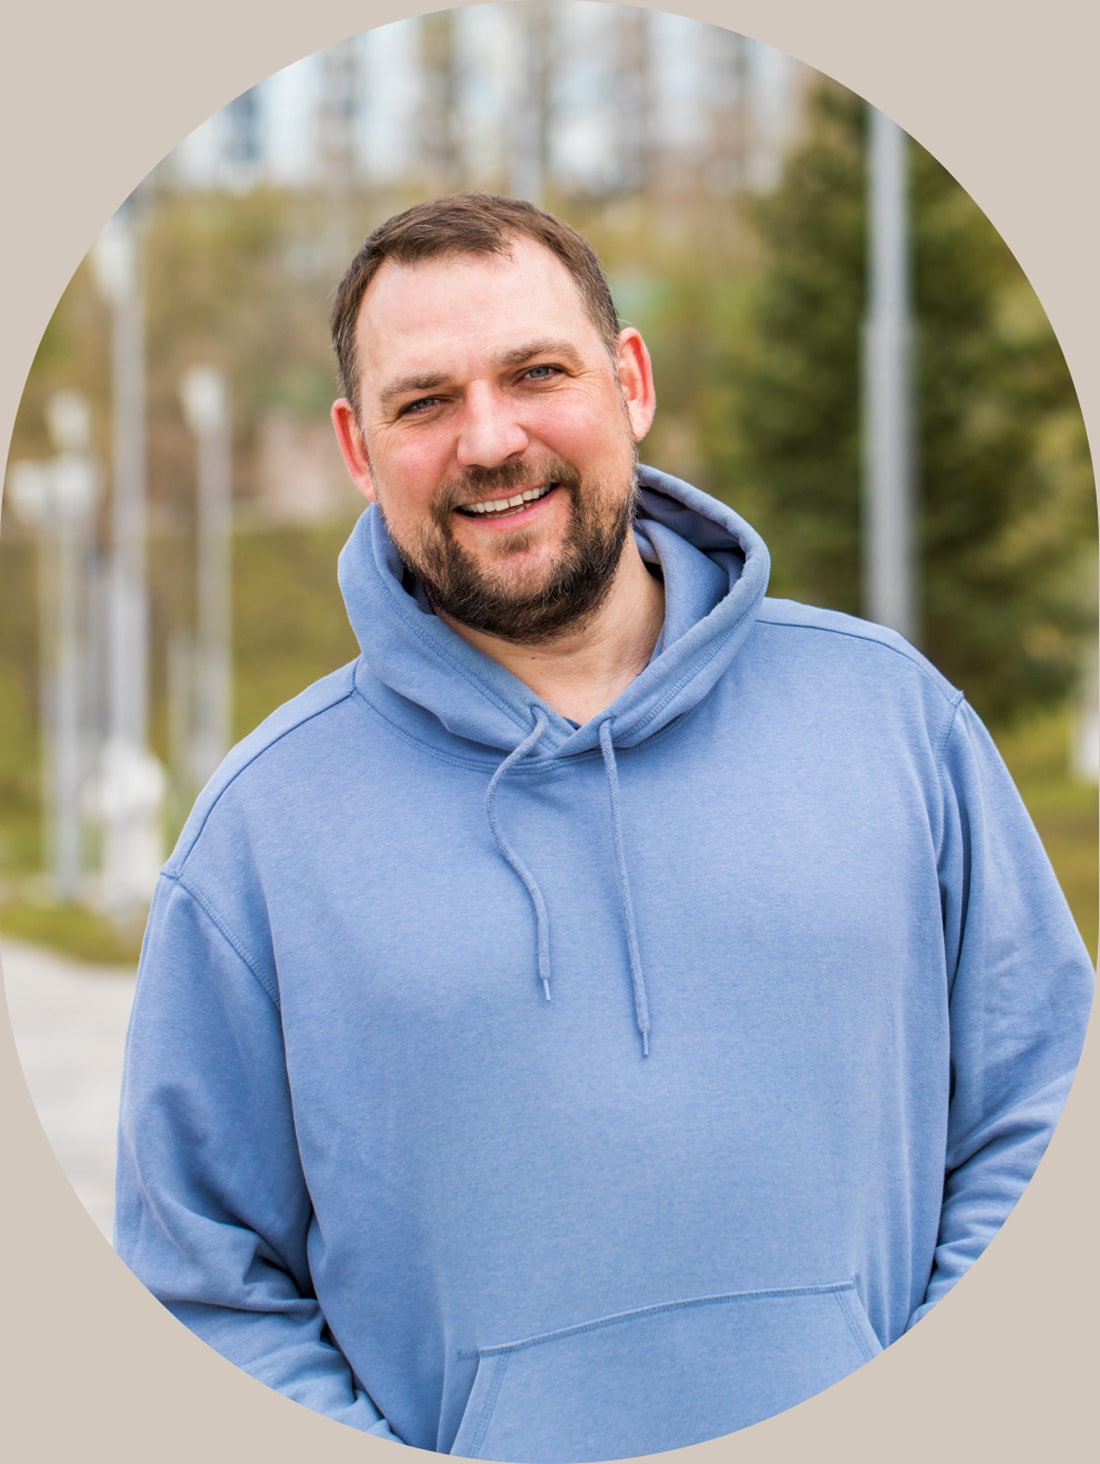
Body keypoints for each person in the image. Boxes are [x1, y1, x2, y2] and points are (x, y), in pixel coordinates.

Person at [115, 193, 1094, 1462]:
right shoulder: (258, 837)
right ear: (358, 450)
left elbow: (1043, 1108)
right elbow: (199, 1286)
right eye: (425, 402)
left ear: (627, 381)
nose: (488, 438)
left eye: (537, 373)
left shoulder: (891, 718)